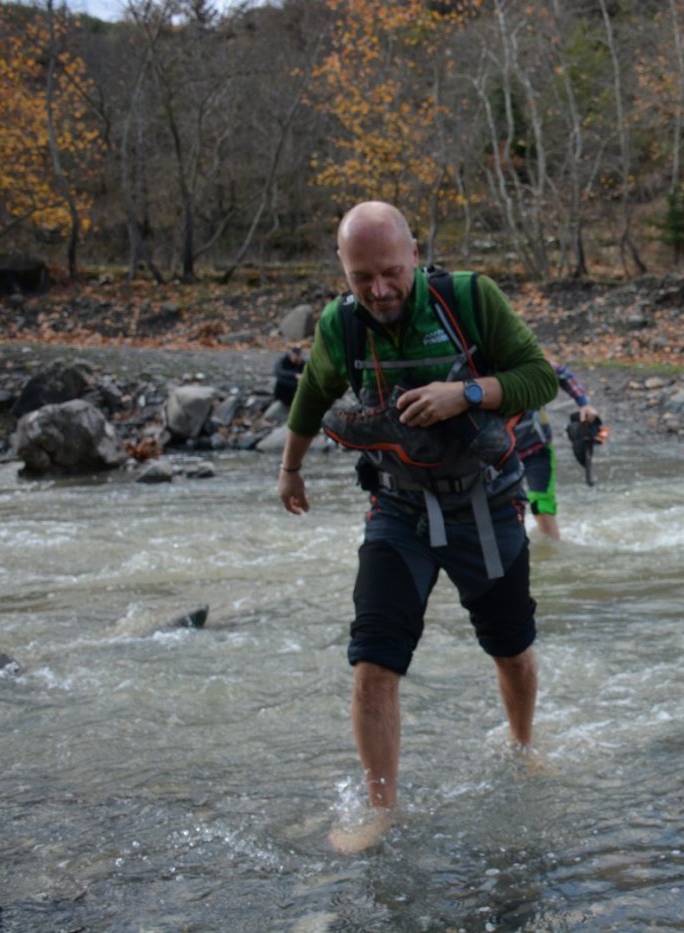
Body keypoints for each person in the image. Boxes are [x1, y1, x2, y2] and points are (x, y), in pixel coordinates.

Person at [275, 201, 557, 854]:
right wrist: (290, 469)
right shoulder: (340, 327)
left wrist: (468, 393)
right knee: (373, 662)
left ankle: (522, 744)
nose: (379, 290)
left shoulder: (469, 299)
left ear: (415, 257)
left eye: (392, 272)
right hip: (397, 510)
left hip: (485, 508)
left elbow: (538, 378)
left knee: (510, 647)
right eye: (362, 276)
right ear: (344, 271)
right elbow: (314, 394)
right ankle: (382, 807)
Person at [513, 358, 600, 541]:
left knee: (542, 505)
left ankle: (551, 548)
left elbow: (563, 374)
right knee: (505, 510)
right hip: (498, 455)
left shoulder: (525, 358)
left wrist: (584, 404)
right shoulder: (478, 367)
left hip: (537, 447)